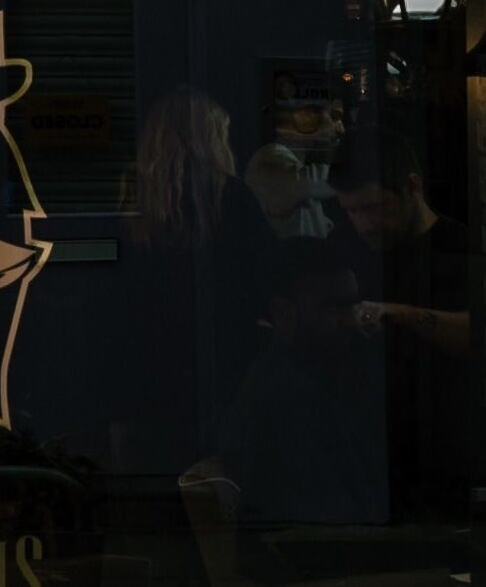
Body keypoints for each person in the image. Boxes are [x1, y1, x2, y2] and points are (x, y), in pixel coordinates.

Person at [129, 88, 279, 465]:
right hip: (225, 349)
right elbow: (267, 275)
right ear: (208, 139)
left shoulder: (134, 203)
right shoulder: (230, 196)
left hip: (148, 355)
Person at [331, 140, 473, 520]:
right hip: (365, 449)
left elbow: (481, 337)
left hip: (441, 450)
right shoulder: (342, 246)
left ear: (412, 186)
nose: (363, 223)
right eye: (350, 210)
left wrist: (397, 313)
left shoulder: (459, 247)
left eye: (374, 207)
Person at [208, 238, 387, 530]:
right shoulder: (289, 400)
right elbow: (325, 526)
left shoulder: (292, 380)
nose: (351, 321)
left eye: (352, 306)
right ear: (281, 313)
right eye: (332, 309)